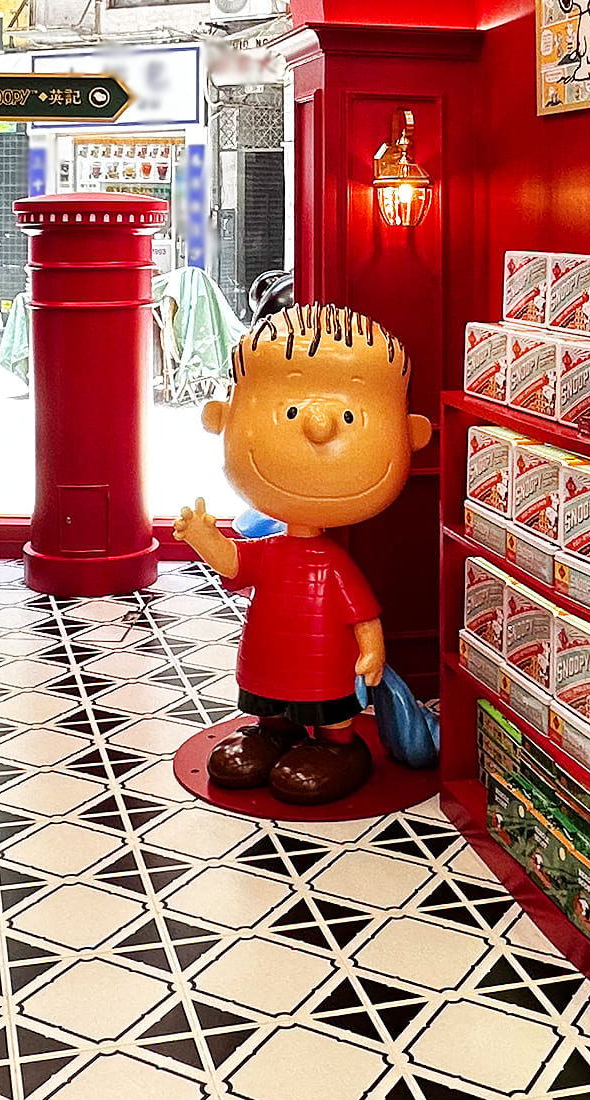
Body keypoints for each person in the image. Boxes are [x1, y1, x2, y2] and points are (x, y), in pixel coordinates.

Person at [173, 305, 431, 804]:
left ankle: (337, 747)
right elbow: (235, 562)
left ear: (411, 433)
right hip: (268, 661)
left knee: (331, 713)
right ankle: (272, 734)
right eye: (290, 412)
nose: (318, 426)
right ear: (221, 418)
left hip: (325, 669)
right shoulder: (272, 551)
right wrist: (204, 538)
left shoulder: (333, 564)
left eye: (350, 416)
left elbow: (363, 614)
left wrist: (372, 650)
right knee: (269, 703)